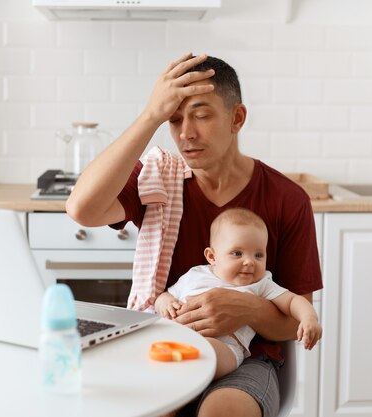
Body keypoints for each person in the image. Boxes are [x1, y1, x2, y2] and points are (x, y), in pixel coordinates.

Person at [66, 53, 323, 417]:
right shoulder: (158, 180)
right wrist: (150, 115)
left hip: (247, 359)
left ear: (237, 118)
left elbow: (297, 319)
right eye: (174, 120)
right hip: (168, 344)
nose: (185, 132)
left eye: (201, 115)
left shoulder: (287, 199)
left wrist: (247, 309)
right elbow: (82, 209)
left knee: (222, 410)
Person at [155, 208, 322, 381]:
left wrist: (309, 318)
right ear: (212, 256)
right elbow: (164, 296)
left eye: (258, 255)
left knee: (204, 352)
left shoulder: (261, 284)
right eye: (237, 253)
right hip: (176, 340)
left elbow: (293, 301)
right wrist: (166, 303)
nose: (249, 262)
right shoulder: (195, 275)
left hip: (224, 348)